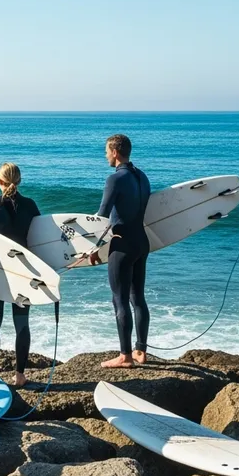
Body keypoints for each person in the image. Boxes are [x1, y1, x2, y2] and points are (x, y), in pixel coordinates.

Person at [89, 134, 151, 369]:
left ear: (115, 152)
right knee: (138, 298)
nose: (105, 155)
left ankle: (125, 357)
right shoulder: (142, 177)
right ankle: (141, 351)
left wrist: (94, 248)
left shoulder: (114, 179)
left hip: (122, 245)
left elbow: (102, 216)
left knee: (119, 299)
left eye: (106, 151)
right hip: (142, 243)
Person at [0, 163, 41, 386]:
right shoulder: (31, 206)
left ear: (0, 181)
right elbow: (42, 239)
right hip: (24, 273)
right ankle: (20, 375)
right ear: (20, 180)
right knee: (22, 323)